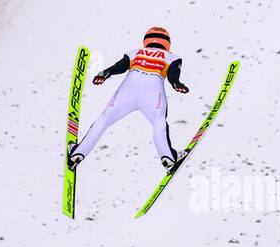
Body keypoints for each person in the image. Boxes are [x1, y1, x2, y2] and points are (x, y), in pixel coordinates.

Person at [68, 26, 190, 172]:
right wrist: (176, 83)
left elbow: (121, 66)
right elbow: (173, 74)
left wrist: (106, 73)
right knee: (159, 122)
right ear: (167, 42)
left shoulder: (137, 52)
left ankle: (77, 153)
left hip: (129, 89)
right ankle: (168, 157)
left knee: (104, 118)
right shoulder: (172, 57)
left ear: (146, 40)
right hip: (152, 89)